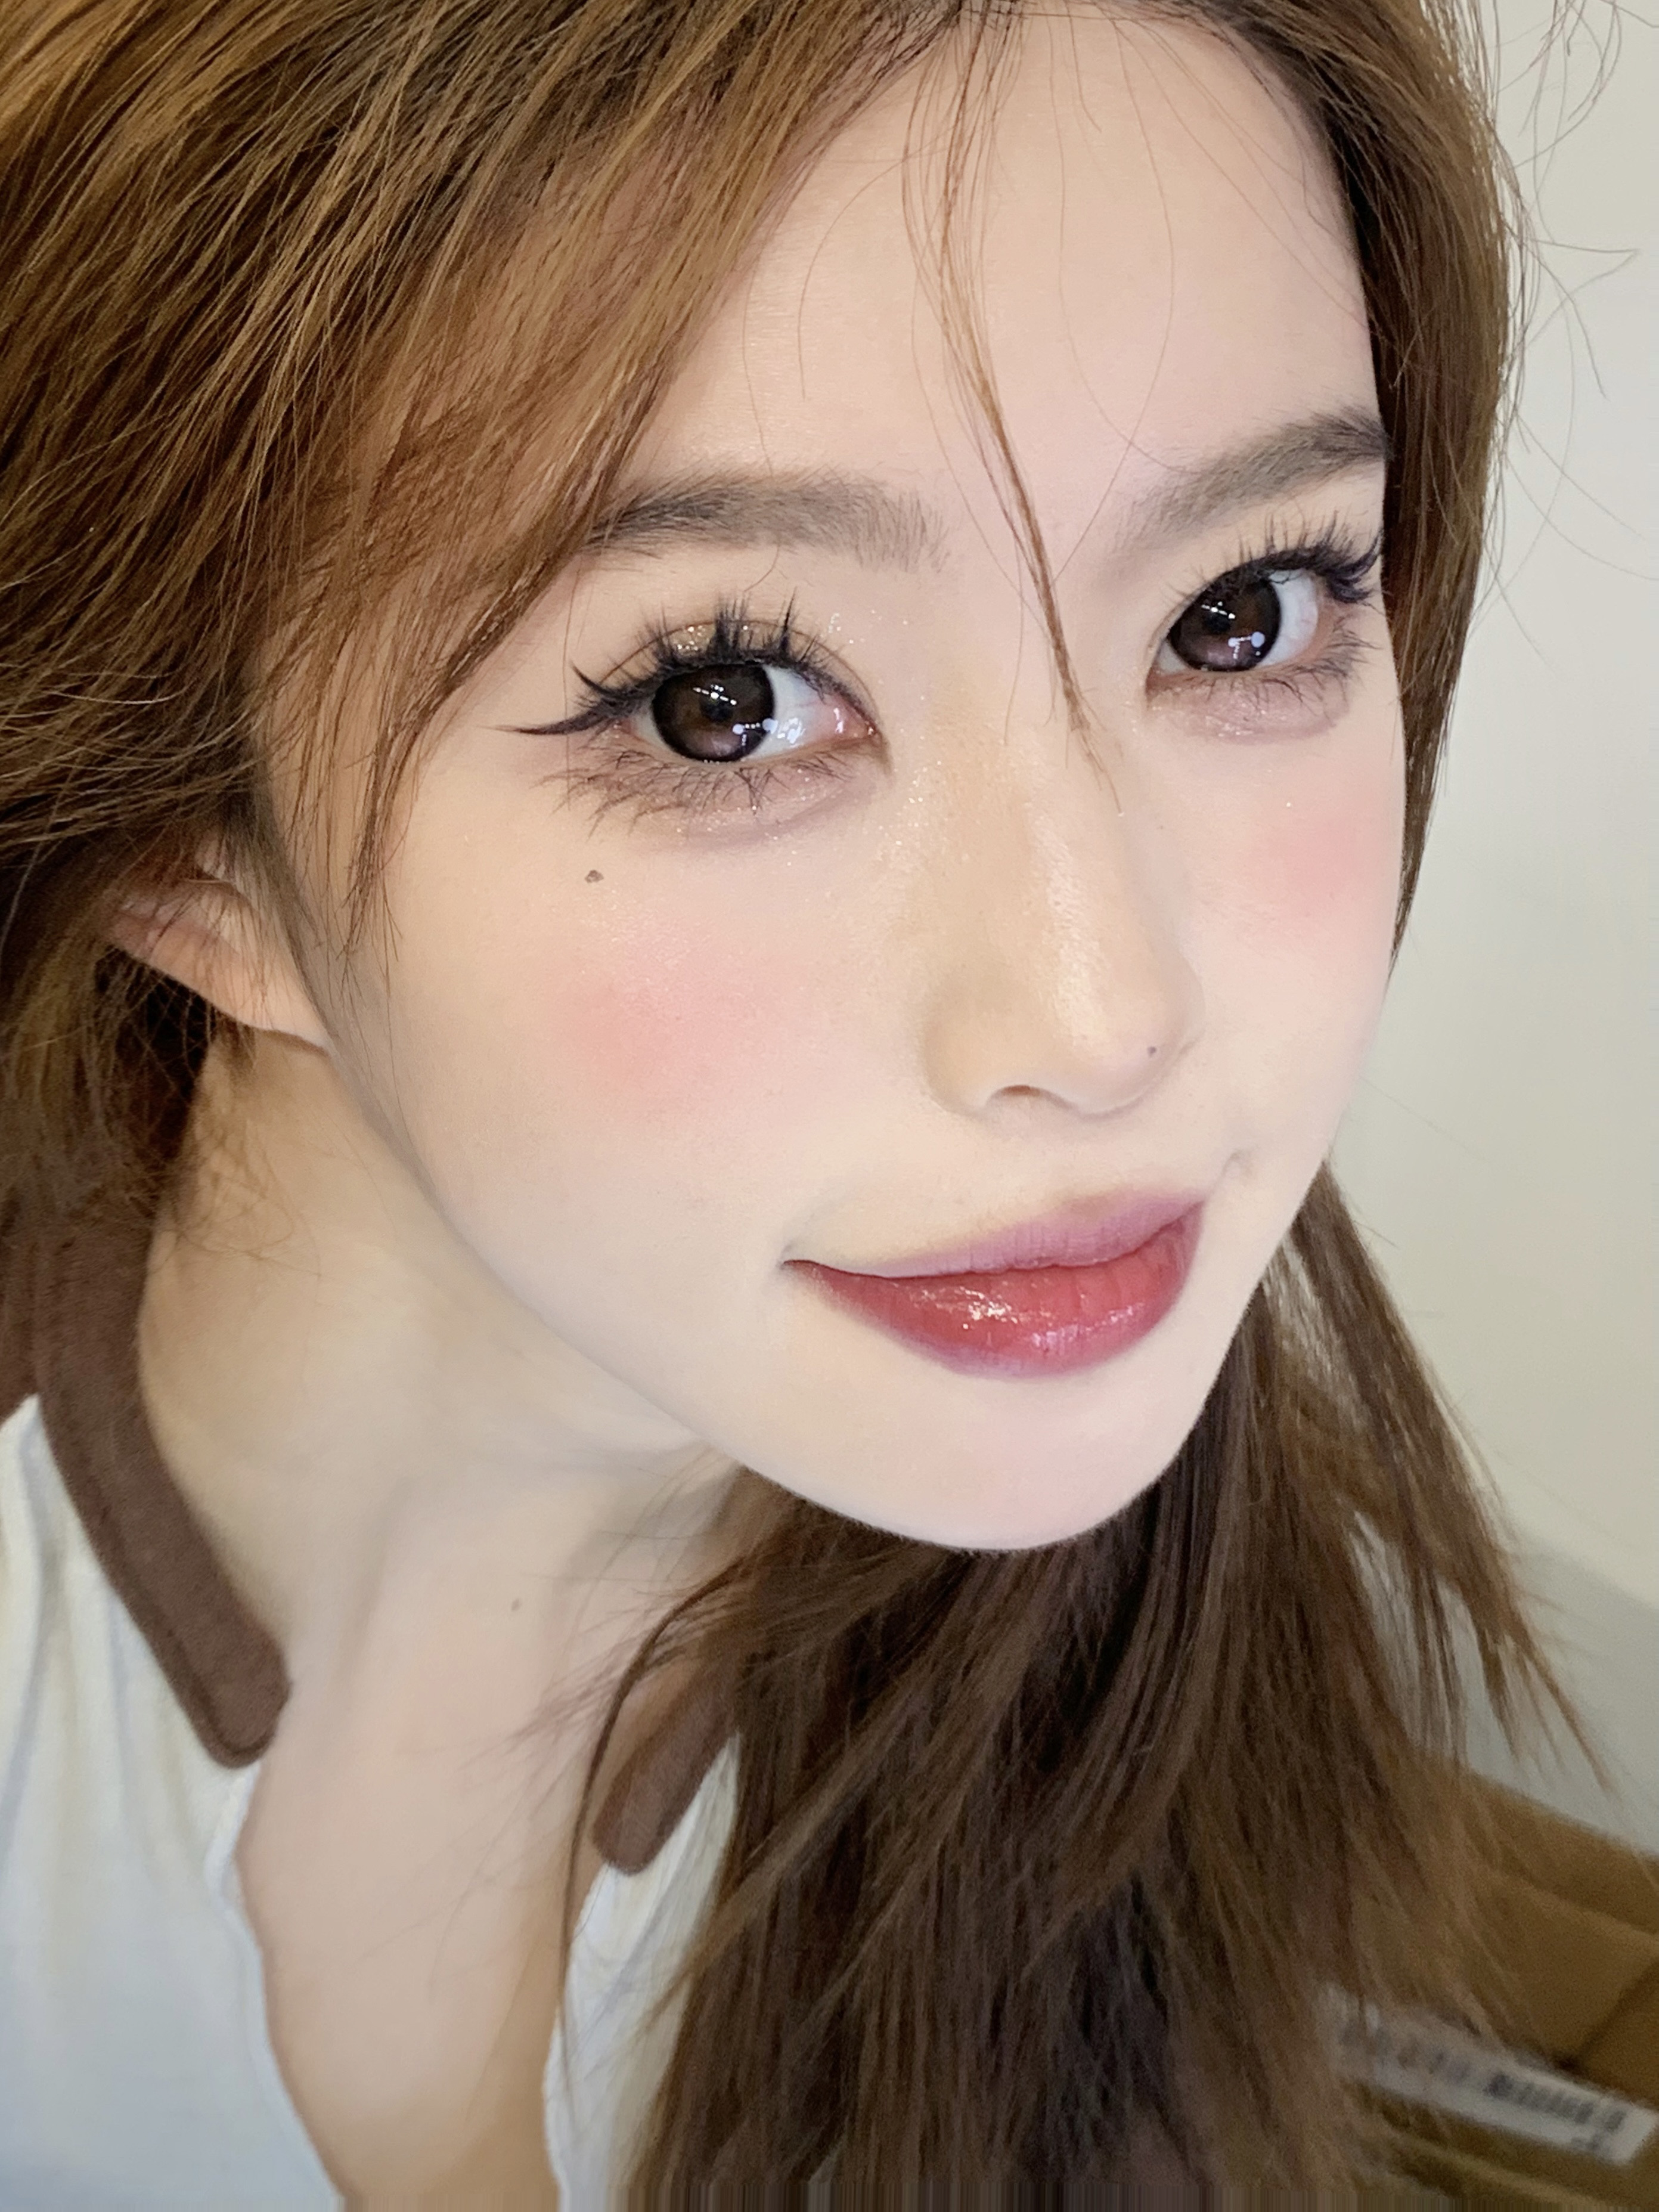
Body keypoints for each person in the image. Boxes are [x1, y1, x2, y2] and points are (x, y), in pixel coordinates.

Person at [0, 0, 1571, 2197]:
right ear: (187, 843)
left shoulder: (1160, 1634)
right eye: (723, 704)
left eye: (1243, 611)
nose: (1110, 1015)